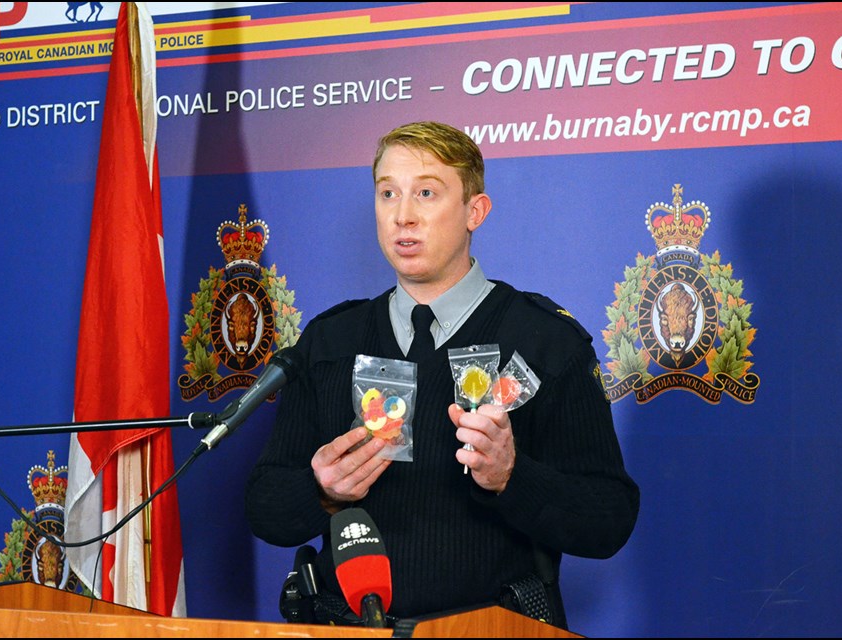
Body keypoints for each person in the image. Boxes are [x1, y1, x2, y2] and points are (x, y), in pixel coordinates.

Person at [244, 120, 639, 629]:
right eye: (388, 194)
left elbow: (609, 520)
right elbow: (266, 510)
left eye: (426, 193)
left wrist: (512, 478)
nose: (403, 216)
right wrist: (320, 489)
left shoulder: (545, 341)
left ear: (475, 211)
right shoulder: (328, 342)